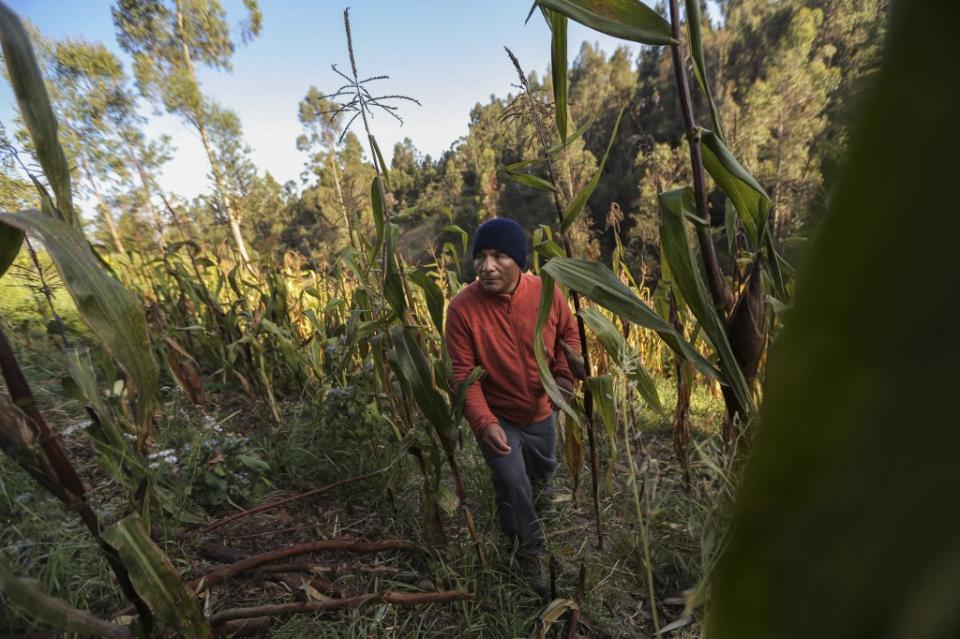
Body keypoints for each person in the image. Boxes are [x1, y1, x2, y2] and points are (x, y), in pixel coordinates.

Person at [444, 217, 580, 598]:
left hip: (541, 410)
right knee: (510, 479)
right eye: (480, 257)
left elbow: (569, 332)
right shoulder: (462, 309)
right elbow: (461, 374)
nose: (486, 266)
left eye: (498, 256)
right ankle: (530, 551)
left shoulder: (547, 292)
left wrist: (565, 378)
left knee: (541, 474)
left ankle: (541, 505)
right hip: (497, 414)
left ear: (518, 261)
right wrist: (484, 422)